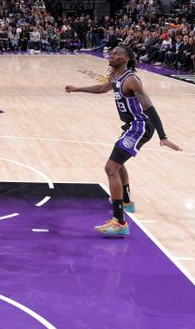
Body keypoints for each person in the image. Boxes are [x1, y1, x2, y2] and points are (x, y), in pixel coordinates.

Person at [65, 45, 182, 237]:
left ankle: (119, 222)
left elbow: (150, 108)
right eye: (112, 53)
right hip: (131, 126)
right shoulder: (115, 76)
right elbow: (102, 88)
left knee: (111, 168)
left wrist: (163, 137)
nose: (113, 55)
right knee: (117, 164)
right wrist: (78, 89)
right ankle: (126, 202)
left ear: (127, 59)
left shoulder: (131, 80)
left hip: (140, 125)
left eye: (118, 53)